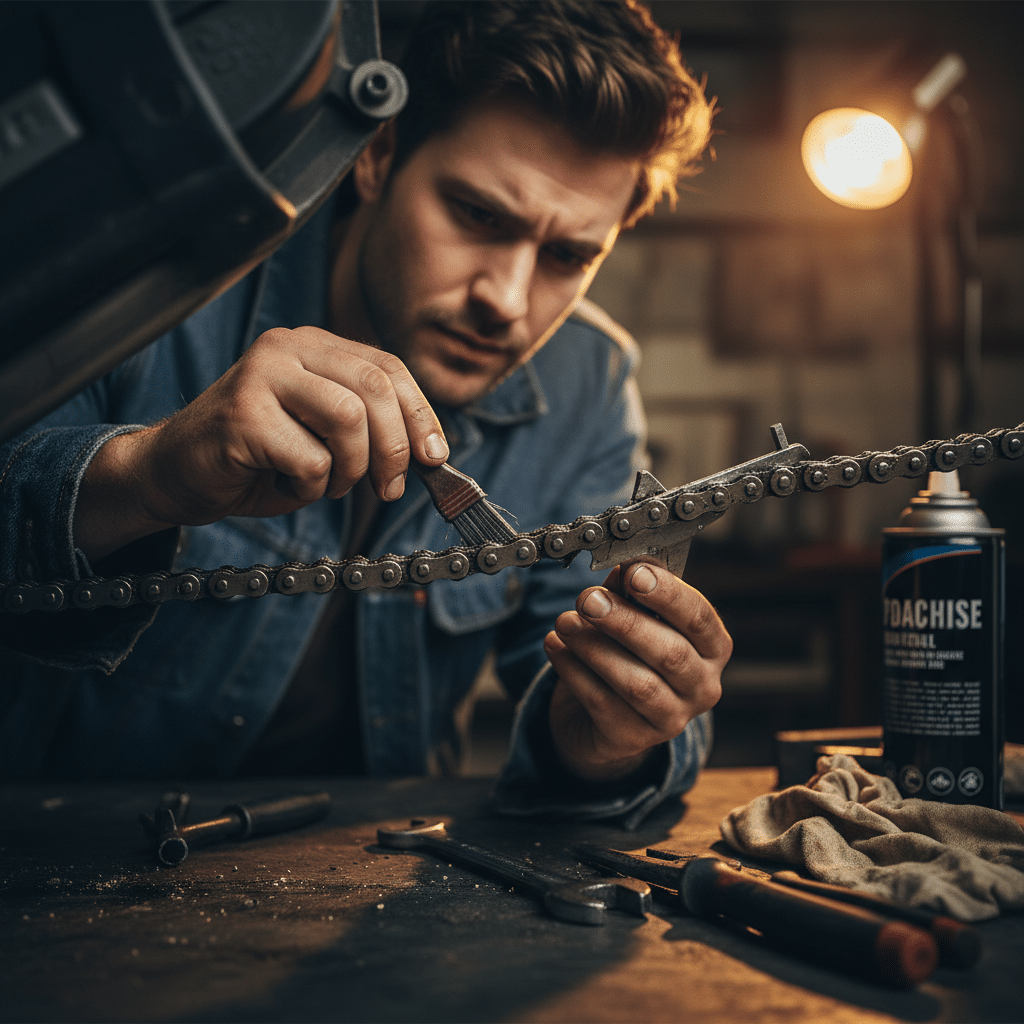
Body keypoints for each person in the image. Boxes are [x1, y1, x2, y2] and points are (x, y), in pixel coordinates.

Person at [0, 0, 731, 826]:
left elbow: (577, 681)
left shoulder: (589, 383)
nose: (507, 299)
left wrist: (607, 737)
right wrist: (150, 474)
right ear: (378, 157)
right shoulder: (156, 293)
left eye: (567, 256)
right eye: (478, 215)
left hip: (382, 871)